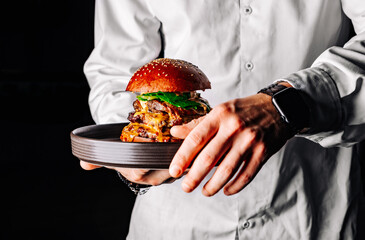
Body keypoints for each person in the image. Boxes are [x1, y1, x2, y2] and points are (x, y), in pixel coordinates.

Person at [81, 0, 365, 239]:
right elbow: (114, 70)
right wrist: (137, 154)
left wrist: (287, 105)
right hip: (173, 221)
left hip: (314, 215)